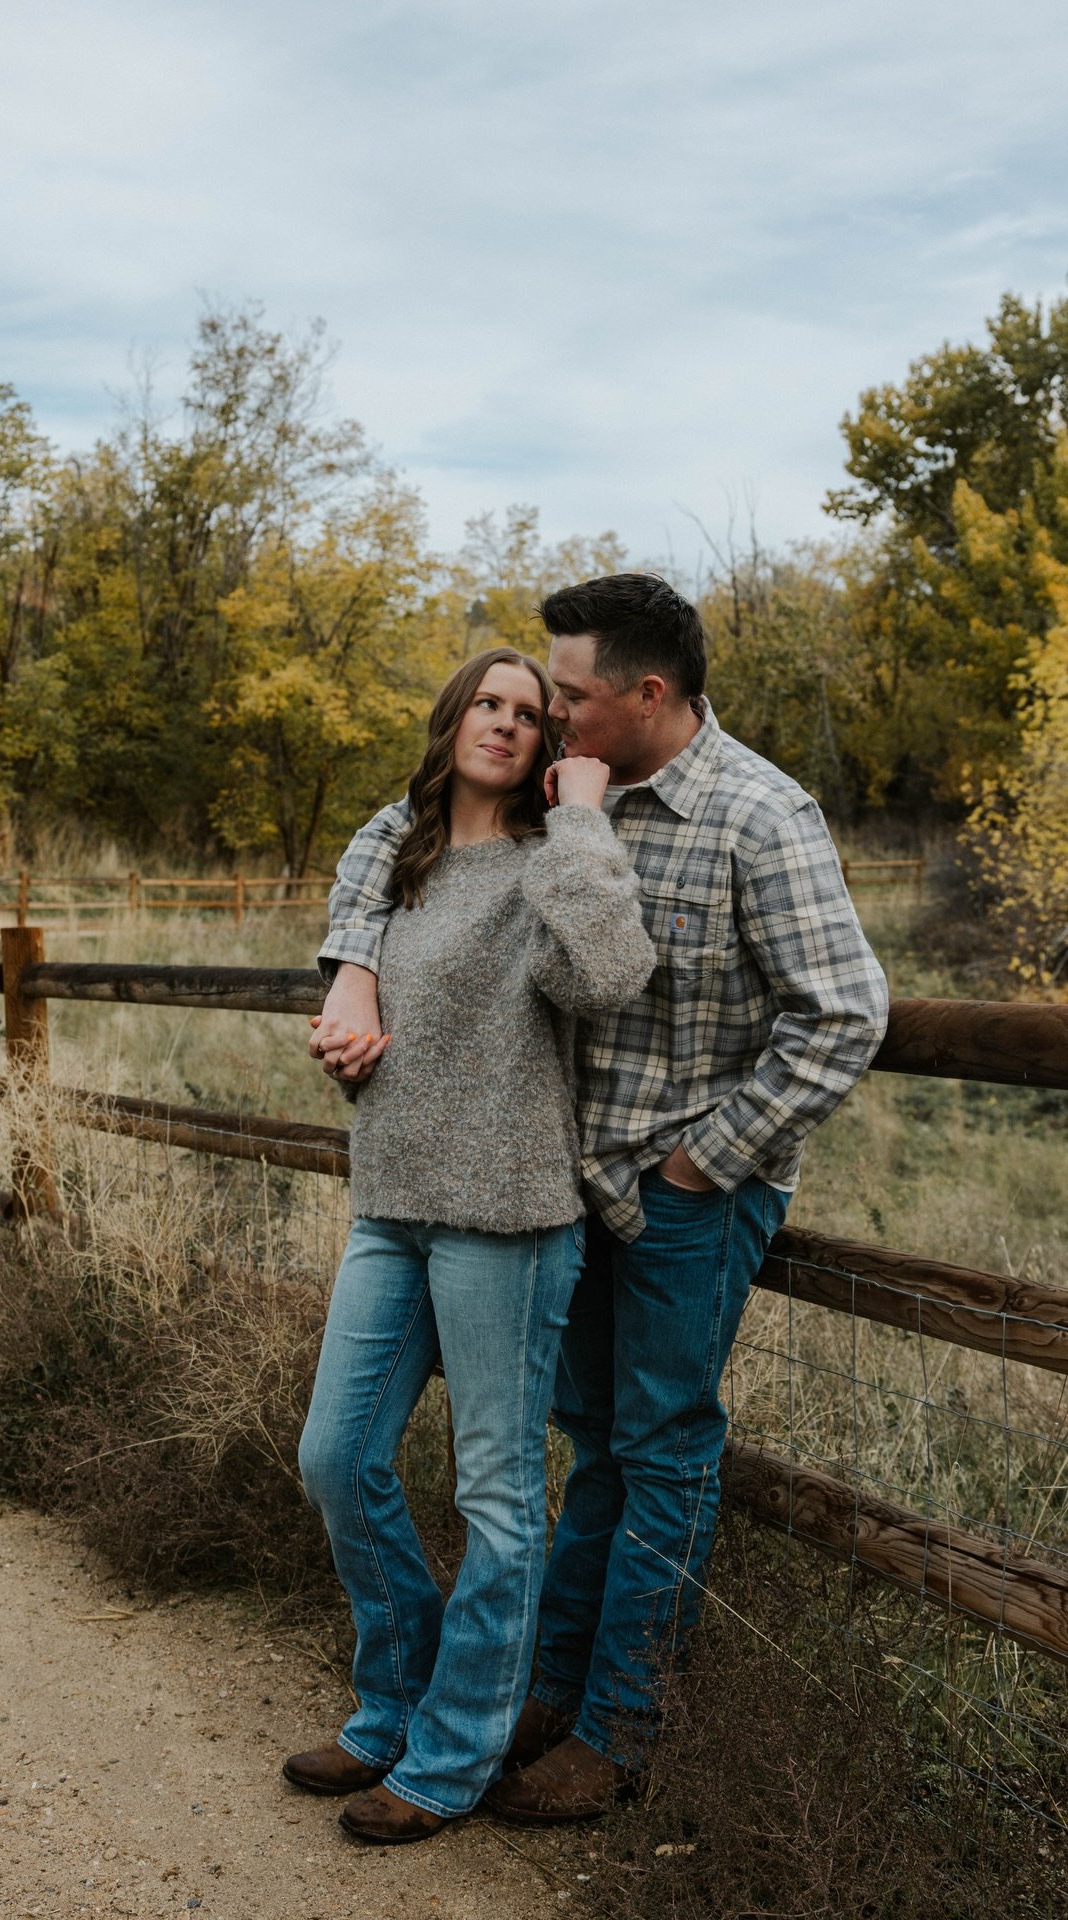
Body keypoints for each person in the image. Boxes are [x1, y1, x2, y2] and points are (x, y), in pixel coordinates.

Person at [313, 574, 890, 1824]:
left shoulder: (757, 814)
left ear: (649, 692)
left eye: (569, 695)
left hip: (690, 1186)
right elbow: (404, 844)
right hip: (569, 1182)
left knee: (662, 1447)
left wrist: (705, 1162)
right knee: (591, 1447)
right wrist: (353, 966)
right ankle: (543, 1691)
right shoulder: (573, 794)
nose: (552, 715)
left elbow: (845, 1014)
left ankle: (620, 1727)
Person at [284, 646, 656, 1845]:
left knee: (495, 1496)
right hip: (391, 1197)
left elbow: (609, 975)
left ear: (551, 745)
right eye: (486, 703)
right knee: (337, 1457)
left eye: (530, 713)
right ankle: (395, 1700)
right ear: (452, 719)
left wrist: (585, 817)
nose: (504, 722)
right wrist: (346, 1011)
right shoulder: (396, 849)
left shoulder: (553, 863)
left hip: (508, 1212)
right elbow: (360, 959)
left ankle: (450, 1756)